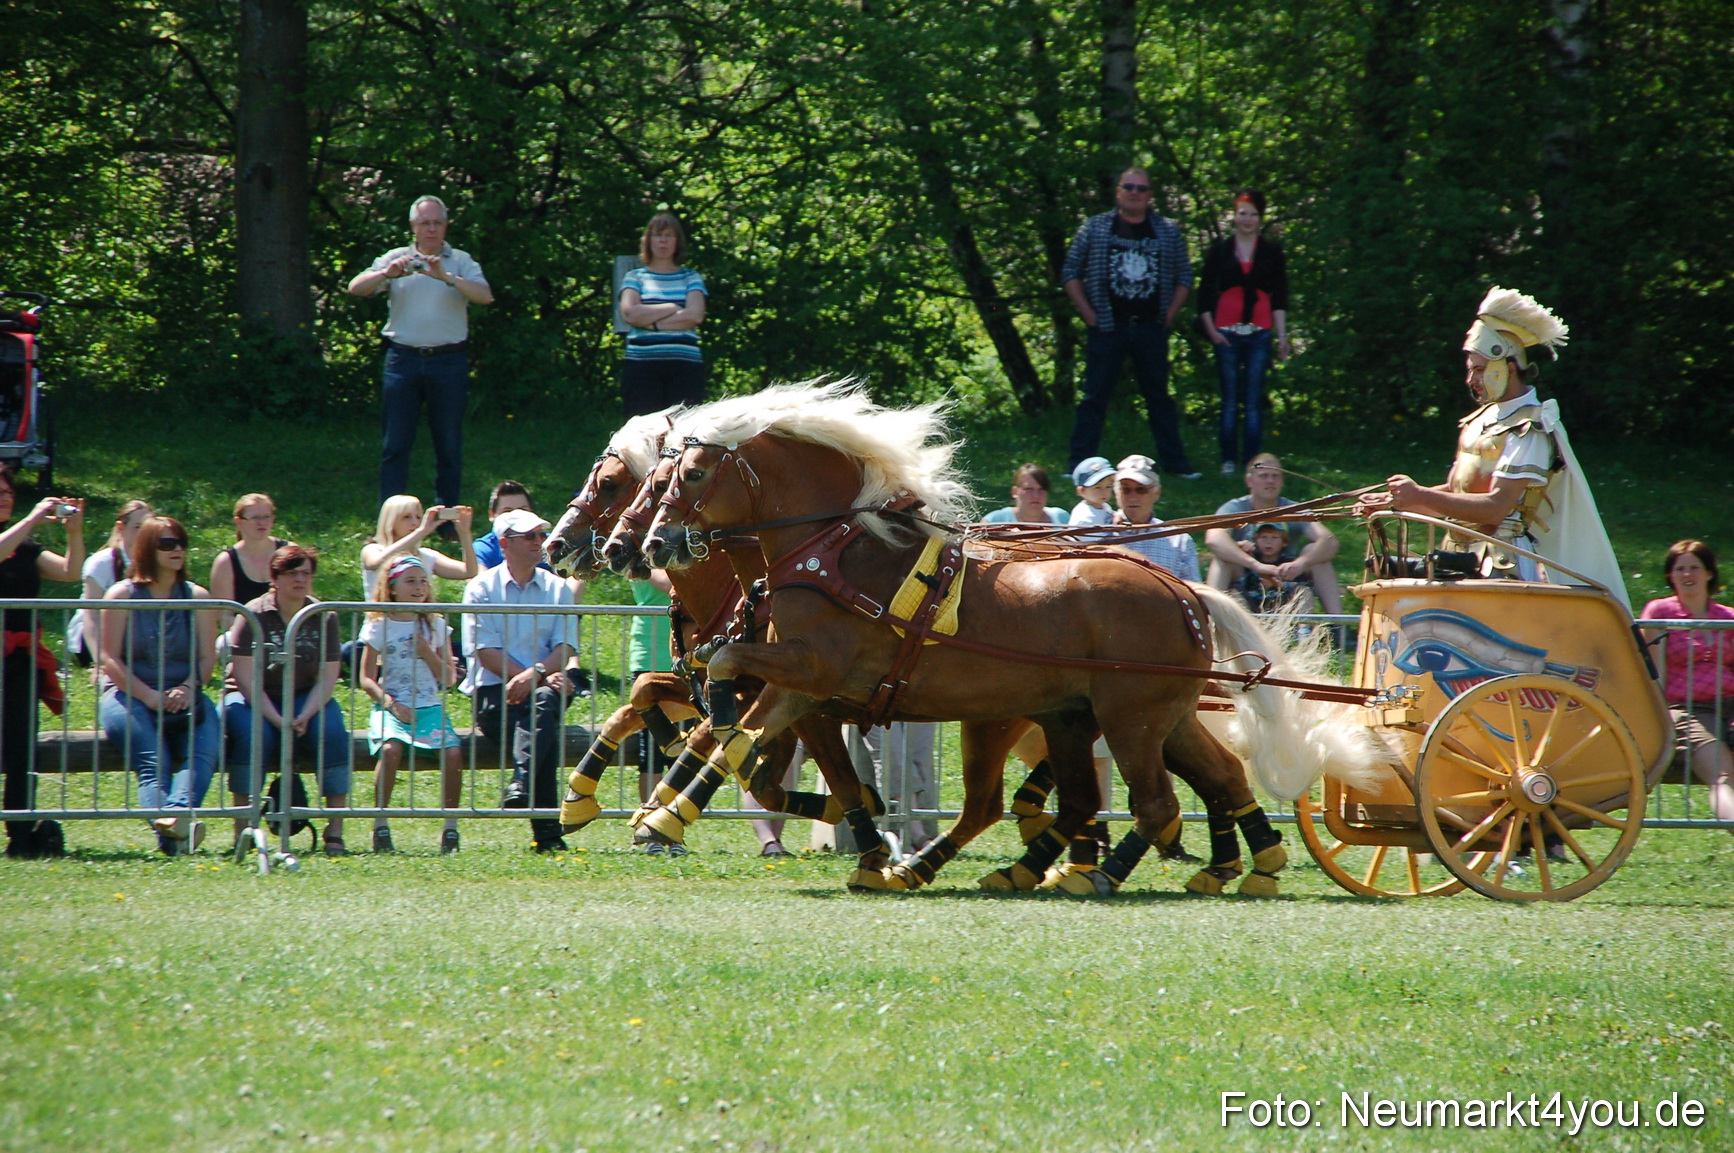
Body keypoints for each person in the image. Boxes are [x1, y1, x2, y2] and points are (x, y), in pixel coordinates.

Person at [1368, 286, 1627, 607]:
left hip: (1502, 564)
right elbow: (1454, 495)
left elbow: (1496, 507)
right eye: (1470, 370)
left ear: (1510, 367)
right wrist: (1395, 503)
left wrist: (1419, 495)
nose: (1471, 380)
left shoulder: (1530, 427)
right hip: (1454, 557)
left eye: (1479, 369)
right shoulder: (1478, 421)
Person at [345, 194, 493, 510]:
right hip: (403, 360)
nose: (431, 229)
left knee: (449, 445)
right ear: (413, 226)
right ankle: (391, 520)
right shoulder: (397, 258)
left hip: (448, 361)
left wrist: (447, 278)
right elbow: (356, 287)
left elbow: (485, 296)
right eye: (425, 223)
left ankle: (447, 519)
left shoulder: (460, 261)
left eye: (437, 222)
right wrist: (386, 275)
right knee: (395, 444)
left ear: (447, 225)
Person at [1060, 165, 1199, 478]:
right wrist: (1089, 314)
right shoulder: (1095, 227)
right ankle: (1079, 464)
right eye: (1129, 187)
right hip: (1107, 326)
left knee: (1159, 397)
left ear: (1150, 195)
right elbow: (1070, 273)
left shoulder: (1166, 230)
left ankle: (1177, 466)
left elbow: (1185, 276)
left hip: (1150, 326)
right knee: (1094, 397)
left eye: (1141, 188)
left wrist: (1169, 314)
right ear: (1118, 192)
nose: (1135, 193)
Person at [97, 515, 220, 857]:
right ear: (147, 549)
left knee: (204, 752)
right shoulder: (121, 595)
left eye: (181, 543)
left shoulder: (198, 596)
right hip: (128, 694)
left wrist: (188, 688)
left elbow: (207, 657)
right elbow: (109, 658)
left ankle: (173, 821)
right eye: (167, 544)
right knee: (154, 761)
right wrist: (149, 696)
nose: (177, 549)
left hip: (187, 692)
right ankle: (175, 833)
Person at [461, 509, 579, 852]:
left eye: (542, 535)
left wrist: (534, 675)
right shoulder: (480, 588)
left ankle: (521, 784)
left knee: (542, 705)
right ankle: (548, 834)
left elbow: (565, 646)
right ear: (504, 544)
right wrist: (533, 677)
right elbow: (485, 652)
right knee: (543, 718)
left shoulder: (558, 588)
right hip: (495, 692)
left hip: (544, 684)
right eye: (529, 536)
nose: (539, 542)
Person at [223, 545, 351, 855]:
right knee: (253, 735)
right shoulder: (253, 613)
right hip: (249, 696)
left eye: (306, 573)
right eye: (292, 573)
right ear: (275, 578)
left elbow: (328, 677)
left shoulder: (323, 615)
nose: (300, 579)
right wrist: (277, 719)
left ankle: (335, 831)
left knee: (333, 732)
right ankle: (243, 829)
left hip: (306, 696)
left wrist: (305, 714)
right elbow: (244, 677)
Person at [0, 471, 82, 858]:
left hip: (19, 659)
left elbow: (71, 572)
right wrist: (34, 517)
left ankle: (20, 837)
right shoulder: (15, 537)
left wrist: (74, 532)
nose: (4, 497)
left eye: (8, 492)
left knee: (22, 749)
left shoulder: (26, 546)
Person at [358, 556, 463, 854]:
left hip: (429, 706)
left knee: (453, 753)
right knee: (390, 750)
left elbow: (449, 678)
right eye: (410, 581)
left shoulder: (436, 625)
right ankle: (380, 823)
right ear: (392, 588)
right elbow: (366, 678)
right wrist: (391, 704)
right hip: (393, 706)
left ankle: (451, 827)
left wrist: (427, 651)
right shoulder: (378, 625)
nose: (419, 587)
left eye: (423, 581)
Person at [1640, 541, 1734, 835]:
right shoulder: (1660, 612)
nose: (1687, 574)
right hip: (1688, 709)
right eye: (1680, 569)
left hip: (1730, 704)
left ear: (1709, 573)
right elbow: (1654, 674)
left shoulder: (1728, 617)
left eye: (1694, 567)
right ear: (1670, 576)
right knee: (1722, 774)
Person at [1197, 189, 1291, 475]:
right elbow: (1203, 296)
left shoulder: (1272, 252)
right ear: (1234, 216)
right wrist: (1212, 332)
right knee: (1229, 401)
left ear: (1260, 218)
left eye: (1253, 214)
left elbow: (1280, 297)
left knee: (1252, 402)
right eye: (1242, 213)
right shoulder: (1221, 251)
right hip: (1226, 332)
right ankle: (1228, 459)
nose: (1247, 219)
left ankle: (1252, 462)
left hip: (1259, 333)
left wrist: (1282, 336)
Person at [1205, 453, 1342, 613]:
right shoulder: (1234, 508)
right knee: (1222, 558)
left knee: (1317, 555)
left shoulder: (1294, 509)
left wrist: (1301, 563)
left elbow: (1329, 541)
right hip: (1246, 579)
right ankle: (1210, 619)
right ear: (1249, 481)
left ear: (1282, 481)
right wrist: (1254, 564)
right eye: (1263, 476)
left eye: (1275, 476)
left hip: (1287, 577)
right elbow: (1214, 539)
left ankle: (1337, 623)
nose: (1270, 481)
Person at [617, 212, 707, 417]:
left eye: (669, 235)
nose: (663, 241)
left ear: (678, 241)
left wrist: (652, 323)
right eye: (658, 235)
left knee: (685, 428)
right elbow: (630, 314)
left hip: (684, 366)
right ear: (648, 241)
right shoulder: (635, 277)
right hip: (641, 365)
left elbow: (695, 316)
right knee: (643, 429)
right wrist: (672, 307)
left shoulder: (691, 277)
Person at [68, 498, 149, 668]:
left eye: (148, 528)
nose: (143, 534)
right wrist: (100, 662)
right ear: (121, 528)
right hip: (94, 637)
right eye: (137, 527)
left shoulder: (155, 561)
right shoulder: (101, 562)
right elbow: (91, 616)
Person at [360, 494, 476, 600]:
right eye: (407, 517)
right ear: (391, 521)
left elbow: (469, 572)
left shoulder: (427, 555)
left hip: (419, 617)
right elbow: (375, 563)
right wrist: (421, 531)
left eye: (418, 517)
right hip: (382, 616)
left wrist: (464, 533)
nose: (415, 523)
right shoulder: (373, 549)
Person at [1108, 454, 1199, 581]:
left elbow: (1194, 590)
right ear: (1116, 492)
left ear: (1157, 493)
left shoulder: (1179, 541)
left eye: (1141, 490)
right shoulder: (1097, 532)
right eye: (1126, 490)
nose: (1133, 497)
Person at [209, 493, 287, 624]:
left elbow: (305, 601)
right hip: (243, 633)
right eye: (255, 518)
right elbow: (224, 616)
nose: (262, 523)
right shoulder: (226, 562)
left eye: (266, 517)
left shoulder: (289, 552)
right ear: (239, 522)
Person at [1235, 523, 1314, 614]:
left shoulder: (1289, 563)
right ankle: (1241, 621)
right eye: (1263, 537)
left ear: (1284, 542)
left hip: (1283, 605)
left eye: (1274, 538)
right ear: (1255, 541)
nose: (1268, 542)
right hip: (1251, 604)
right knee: (1233, 593)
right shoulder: (1249, 559)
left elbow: (1303, 584)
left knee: (1305, 591)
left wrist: (1281, 585)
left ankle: (1303, 623)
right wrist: (1239, 546)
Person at [471, 480, 534, 570]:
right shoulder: (483, 548)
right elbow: (479, 577)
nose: (516, 516)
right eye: (507, 511)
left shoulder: (546, 543)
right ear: (492, 515)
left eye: (523, 510)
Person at [982, 463, 1068, 524]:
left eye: (1041, 489)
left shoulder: (1061, 519)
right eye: (1029, 489)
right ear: (1015, 492)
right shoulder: (994, 522)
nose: (1036, 495)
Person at [1067, 457, 1116, 526]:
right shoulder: (1084, 517)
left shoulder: (1104, 506)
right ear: (1082, 491)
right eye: (1097, 487)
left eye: (1108, 486)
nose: (1104, 492)